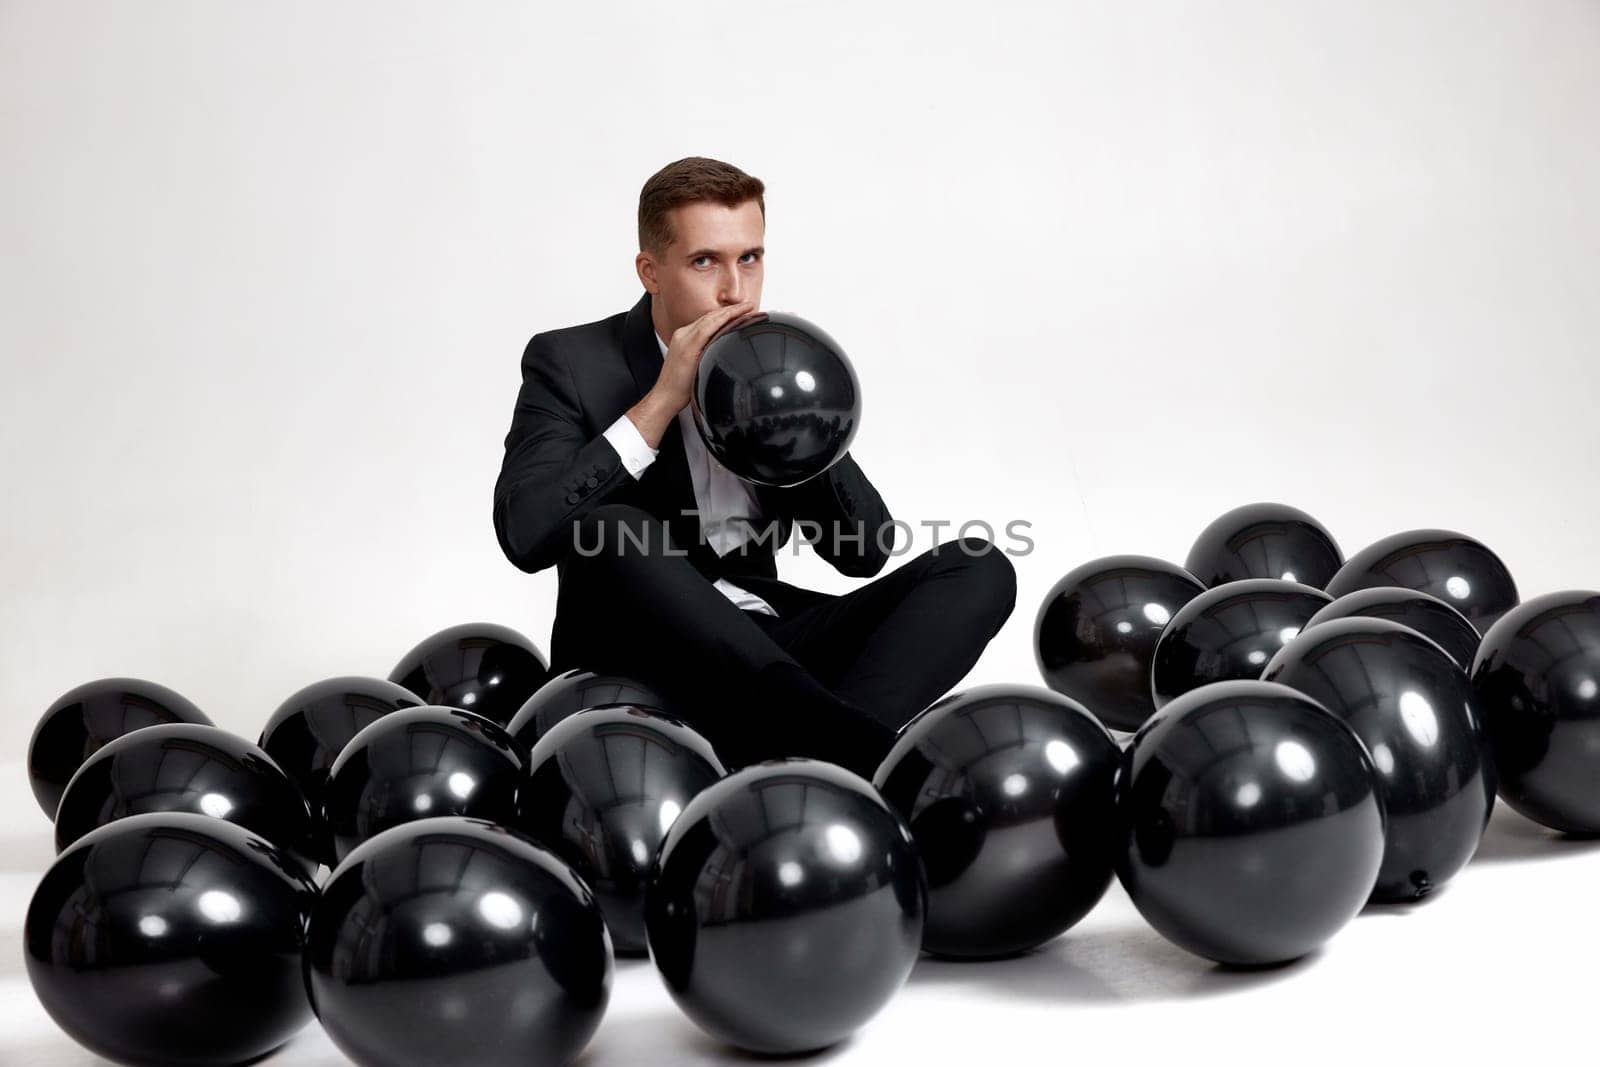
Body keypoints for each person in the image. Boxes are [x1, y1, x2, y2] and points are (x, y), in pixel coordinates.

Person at [492, 156, 1016, 776]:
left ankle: (812, 754)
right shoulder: (570, 361)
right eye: (704, 261)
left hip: (769, 654)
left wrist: (802, 419)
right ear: (650, 271)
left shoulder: (770, 363)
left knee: (980, 568)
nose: (734, 291)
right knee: (611, 532)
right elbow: (525, 533)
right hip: (643, 665)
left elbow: (865, 552)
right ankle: (862, 757)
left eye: (751, 258)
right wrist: (660, 402)